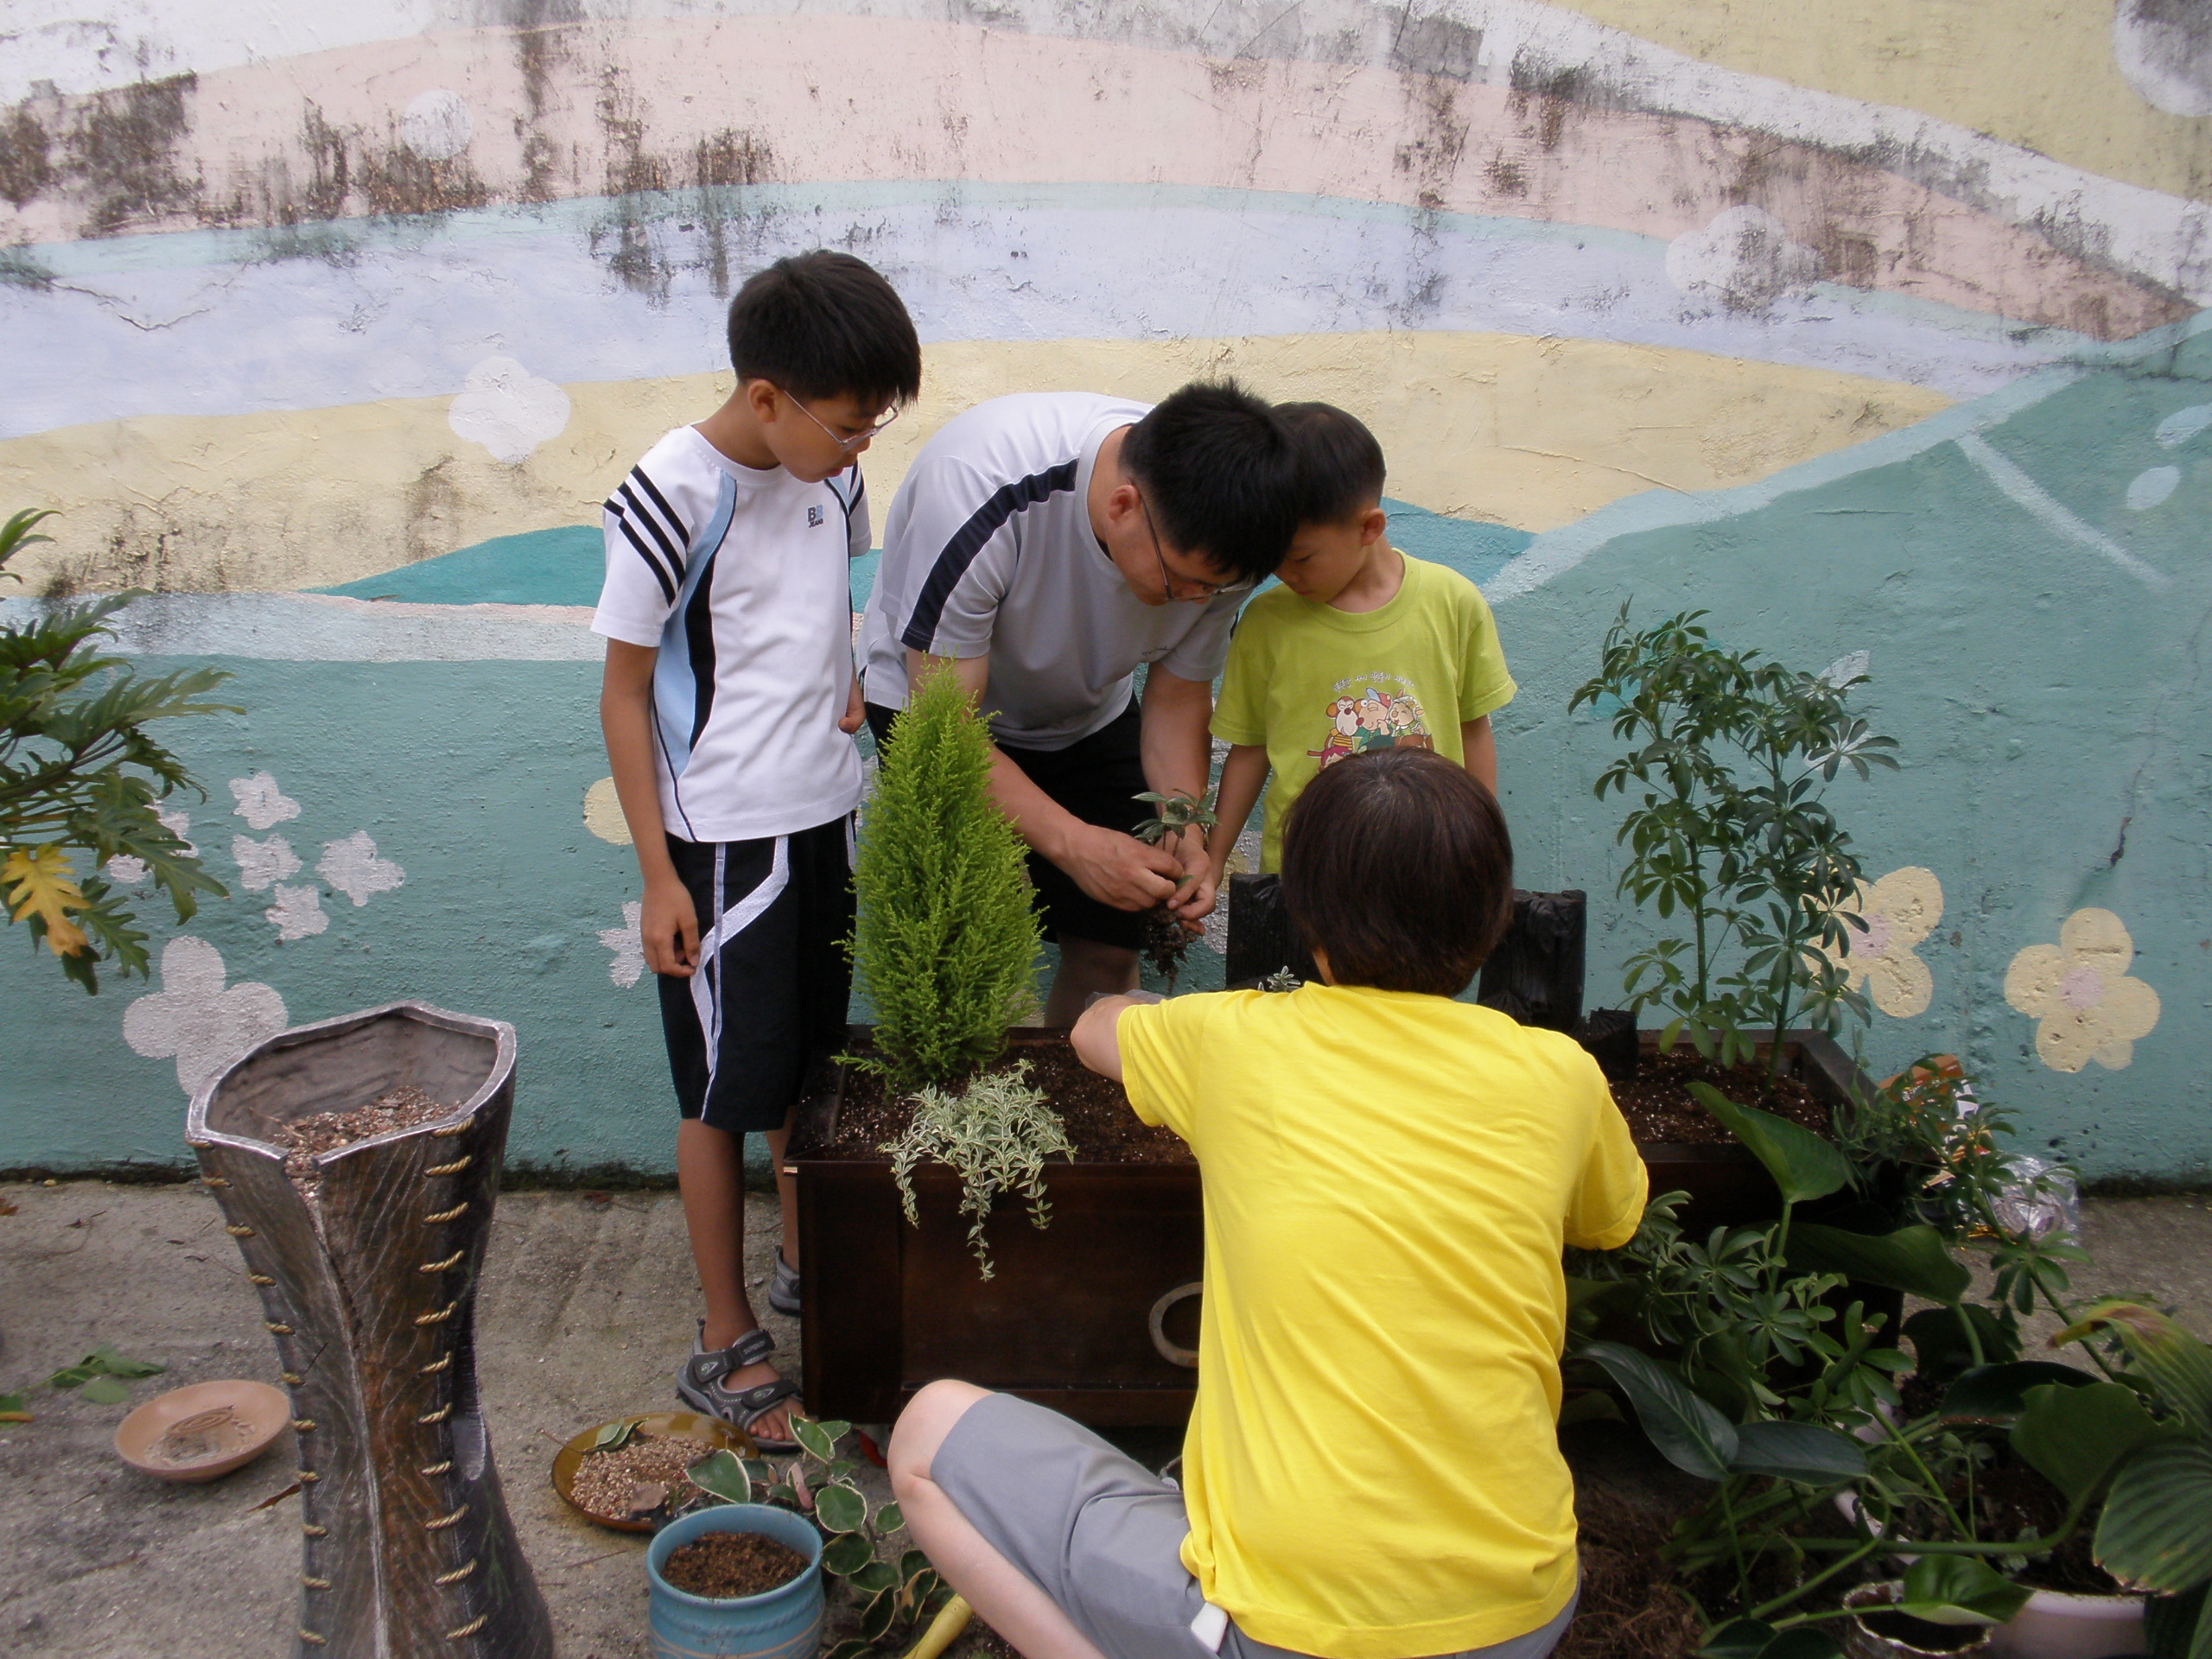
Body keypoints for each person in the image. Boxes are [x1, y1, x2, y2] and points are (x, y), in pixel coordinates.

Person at [888, 748, 1647, 1659]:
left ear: (1305, 922)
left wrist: (1140, 1008)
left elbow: (1093, 1027)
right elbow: (1610, 1218)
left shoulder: (1234, 1043)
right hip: (1520, 1611)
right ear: (1492, 918)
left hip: (1288, 1634)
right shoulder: (1558, 1075)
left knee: (926, 1433)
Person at [593, 249, 920, 1452]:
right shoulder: (672, 492)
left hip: (827, 810)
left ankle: (807, 1263)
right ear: (768, 396)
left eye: (874, 427)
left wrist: (846, 676)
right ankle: (725, 1342)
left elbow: (829, 594)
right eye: (846, 425)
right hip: (723, 847)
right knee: (726, 1090)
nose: (859, 449)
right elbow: (624, 695)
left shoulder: (831, 475)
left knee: (813, 1072)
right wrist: (657, 875)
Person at [857, 381, 1300, 1025]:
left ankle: (1068, 1110)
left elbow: (1176, 700)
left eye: (1219, 589)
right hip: (935, 712)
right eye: (1184, 583)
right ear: (1123, 505)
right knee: (979, 955)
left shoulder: (1217, 541)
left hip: (1088, 713)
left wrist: (1184, 824)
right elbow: (948, 728)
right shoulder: (981, 487)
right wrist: (1073, 844)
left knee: (1108, 949)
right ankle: (992, 1117)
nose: (1197, 603)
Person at [1204, 403, 1516, 893]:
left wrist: (1484, 852)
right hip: (1306, 880)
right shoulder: (1266, 623)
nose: (1285, 574)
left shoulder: (1452, 602)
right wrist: (1213, 859)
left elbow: (1473, 731)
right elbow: (1250, 750)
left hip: (1429, 873)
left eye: (1301, 557)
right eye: (1272, 559)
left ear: (1369, 527)